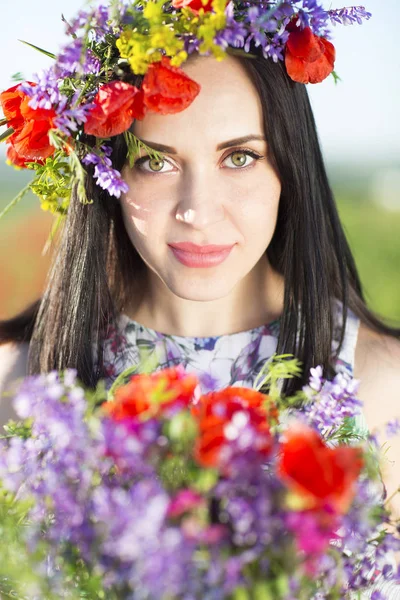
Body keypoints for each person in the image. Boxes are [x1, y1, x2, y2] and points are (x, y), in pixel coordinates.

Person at [0, 0, 400, 590]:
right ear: (104, 174)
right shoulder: (19, 384)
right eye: (154, 162)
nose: (197, 211)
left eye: (240, 157)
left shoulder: (385, 389)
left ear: (290, 166)